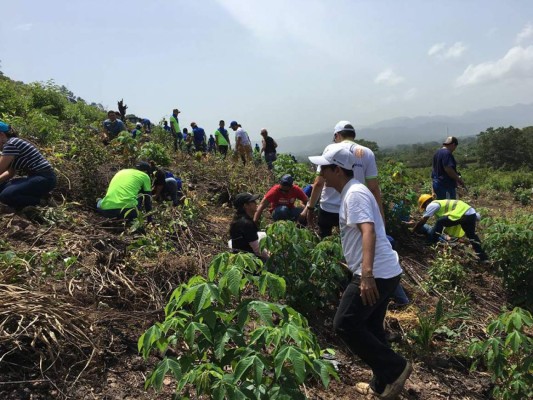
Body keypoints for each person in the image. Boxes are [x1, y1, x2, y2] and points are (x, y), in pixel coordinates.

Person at [308, 144, 412, 399]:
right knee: (372, 328)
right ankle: (380, 384)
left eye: (324, 167)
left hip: (375, 273)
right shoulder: (352, 191)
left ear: (338, 170)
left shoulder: (354, 194)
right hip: (384, 271)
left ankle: (395, 367)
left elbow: (369, 230)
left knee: (345, 324)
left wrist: (365, 275)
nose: (320, 172)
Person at [303, 121, 384, 238]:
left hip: (328, 207)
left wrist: (310, 208)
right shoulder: (367, 153)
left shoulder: (331, 149)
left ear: (337, 135)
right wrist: (381, 220)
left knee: (325, 241)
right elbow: (374, 188)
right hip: (354, 208)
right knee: (351, 242)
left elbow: (318, 183)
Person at [410, 194, 489, 262]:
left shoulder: (432, 205)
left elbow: (423, 220)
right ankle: (484, 257)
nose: (425, 208)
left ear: (426, 202)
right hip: (470, 213)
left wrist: (413, 231)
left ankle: (431, 241)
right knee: (472, 236)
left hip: (463, 213)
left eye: (424, 206)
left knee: (440, 222)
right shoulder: (439, 203)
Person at [0, 120, 57, 210]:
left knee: (6, 195)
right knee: (1, 187)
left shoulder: (11, 144)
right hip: (36, 178)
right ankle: (37, 195)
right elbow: (10, 173)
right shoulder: (12, 144)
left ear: (2, 135)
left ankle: (42, 201)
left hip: (44, 178)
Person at [229, 193, 269, 261]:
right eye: (253, 202)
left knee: (264, 235)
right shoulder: (247, 224)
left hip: (239, 255)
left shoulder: (239, 220)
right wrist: (270, 257)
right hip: (248, 259)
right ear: (246, 205)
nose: (256, 203)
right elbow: (257, 249)